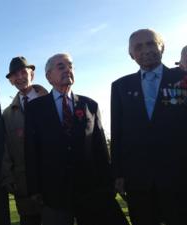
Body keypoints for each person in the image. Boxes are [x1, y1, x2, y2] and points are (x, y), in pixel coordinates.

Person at [25, 53, 127, 225]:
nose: (68, 70)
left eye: (70, 66)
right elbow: (31, 150)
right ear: (49, 76)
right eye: (61, 67)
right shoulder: (35, 109)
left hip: (91, 190)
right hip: (54, 193)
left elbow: (100, 147)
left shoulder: (89, 105)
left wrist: (110, 181)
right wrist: (34, 189)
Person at [111, 28, 187, 225]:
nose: (145, 50)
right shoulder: (120, 86)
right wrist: (118, 173)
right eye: (138, 46)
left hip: (179, 177)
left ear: (162, 47)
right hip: (138, 180)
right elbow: (117, 132)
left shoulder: (183, 77)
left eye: (151, 43)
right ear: (131, 54)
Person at [0, 56, 47, 225]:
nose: (19, 77)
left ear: (31, 74)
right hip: (24, 187)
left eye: (23, 72)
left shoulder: (50, 102)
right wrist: (8, 177)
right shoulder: (7, 114)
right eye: (14, 75)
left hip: (53, 184)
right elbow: (5, 149)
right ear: (11, 81)